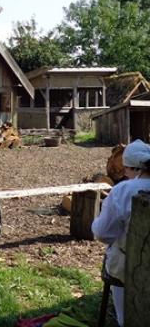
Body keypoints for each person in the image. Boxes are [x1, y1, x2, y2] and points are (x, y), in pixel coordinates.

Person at [92, 139, 150, 326]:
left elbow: (103, 233)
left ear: (135, 168)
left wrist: (96, 224)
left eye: (125, 169)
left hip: (130, 267)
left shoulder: (123, 191)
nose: (124, 173)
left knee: (128, 318)